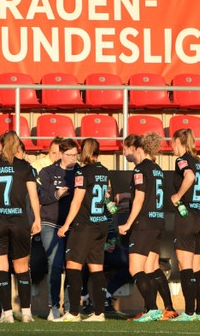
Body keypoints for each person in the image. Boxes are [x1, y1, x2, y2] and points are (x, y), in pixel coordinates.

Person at [0, 131, 41, 324]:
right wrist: (37, 219)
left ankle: (6, 313)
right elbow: (33, 196)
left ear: (1, 145)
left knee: (0, 267)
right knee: (22, 267)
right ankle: (26, 313)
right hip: (19, 222)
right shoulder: (25, 167)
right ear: (17, 146)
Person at [118, 133, 177, 322]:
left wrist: (128, 223)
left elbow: (141, 199)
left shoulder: (140, 169)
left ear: (138, 149)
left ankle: (152, 309)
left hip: (143, 224)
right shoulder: (158, 169)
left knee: (135, 269)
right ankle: (169, 308)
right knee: (152, 268)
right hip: (158, 221)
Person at [55, 138, 111, 322]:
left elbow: (77, 201)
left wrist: (65, 225)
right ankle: (99, 313)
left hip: (84, 225)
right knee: (96, 268)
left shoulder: (82, 171)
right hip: (100, 223)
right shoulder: (104, 171)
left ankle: (73, 313)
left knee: (72, 265)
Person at [169, 128, 200, 321]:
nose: (171, 147)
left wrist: (179, 196)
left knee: (185, 265)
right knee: (197, 267)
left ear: (179, 143)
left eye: (172, 143)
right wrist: (197, 192)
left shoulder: (182, 160)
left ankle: (188, 312)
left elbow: (188, 177)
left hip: (187, 216)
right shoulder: (198, 161)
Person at [37, 138, 79, 320]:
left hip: (73, 226)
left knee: (72, 266)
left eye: (75, 155)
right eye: (69, 155)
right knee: (54, 264)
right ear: (61, 154)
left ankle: (69, 308)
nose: (73, 158)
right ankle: (53, 307)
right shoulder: (47, 172)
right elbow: (42, 198)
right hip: (51, 224)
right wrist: (57, 194)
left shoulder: (80, 172)